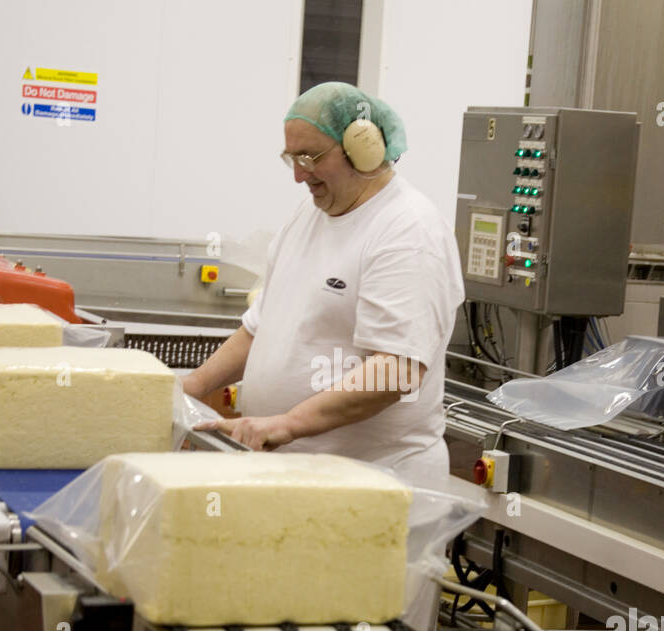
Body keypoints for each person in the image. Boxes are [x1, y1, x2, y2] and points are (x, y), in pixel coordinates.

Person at [185, 81, 465, 485]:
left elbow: (396, 371)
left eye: (309, 156)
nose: (299, 174)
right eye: (291, 158)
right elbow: (258, 329)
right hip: (300, 474)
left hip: (373, 482)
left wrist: (290, 423)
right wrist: (190, 387)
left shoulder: (408, 230)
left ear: (363, 148)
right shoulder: (309, 216)